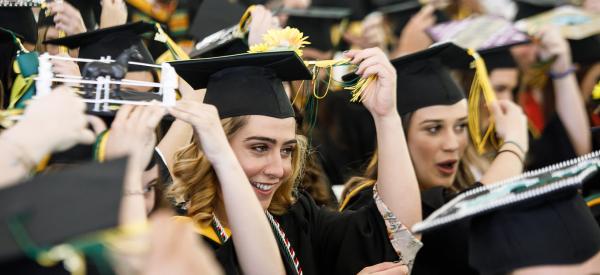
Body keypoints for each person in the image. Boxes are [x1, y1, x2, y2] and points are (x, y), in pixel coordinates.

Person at [168, 48, 422, 274]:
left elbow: (394, 233)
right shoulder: (176, 238)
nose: (278, 169)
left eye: (287, 150)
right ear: (212, 147)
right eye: (259, 147)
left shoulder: (294, 216)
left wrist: (386, 117)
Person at [341, 43, 529, 275]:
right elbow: (464, 216)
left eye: (460, 126)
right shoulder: (370, 207)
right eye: (433, 129)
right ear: (399, 135)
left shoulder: (460, 185)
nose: (451, 144)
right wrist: (515, 144)